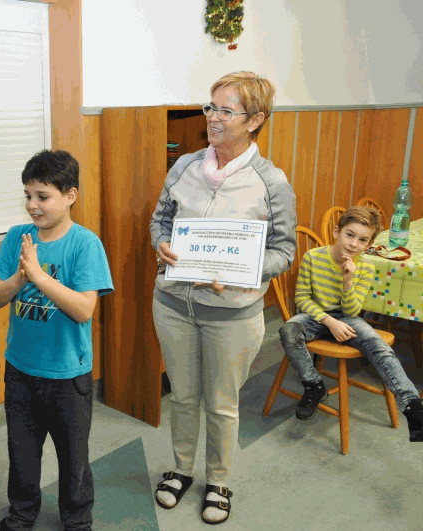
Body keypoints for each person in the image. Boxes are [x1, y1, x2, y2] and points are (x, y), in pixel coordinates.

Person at [150, 72, 296, 525]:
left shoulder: (271, 182)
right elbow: (160, 219)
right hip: (173, 305)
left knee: (221, 403)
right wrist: (160, 243)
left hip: (232, 314)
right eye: (210, 107)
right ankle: (181, 470)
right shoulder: (185, 166)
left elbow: (285, 251)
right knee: (183, 397)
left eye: (225, 111)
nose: (211, 117)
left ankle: (219, 480)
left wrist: (240, 271)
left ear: (255, 120)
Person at [0, 150, 114, 531]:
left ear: (70, 195)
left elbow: (83, 310)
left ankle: (77, 521)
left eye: (43, 196)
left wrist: (41, 278)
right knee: (21, 453)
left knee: (73, 458)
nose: (32, 206)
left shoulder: (85, 244)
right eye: (28, 196)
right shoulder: (17, 238)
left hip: (67, 374)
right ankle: (21, 514)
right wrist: (19, 279)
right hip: (20, 370)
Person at [279, 206, 423, 441]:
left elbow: (353, 311)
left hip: (348, 318)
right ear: (337, 231)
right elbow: (302, 299)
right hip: (316, 317)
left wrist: (348, 281)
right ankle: (314, 386)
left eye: (363, 240)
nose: (354, 244)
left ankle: (412, 405)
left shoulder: (365, 266)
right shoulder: (313, 257)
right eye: (350, 235)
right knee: (289, 329)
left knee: (378, 345)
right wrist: (328, 321)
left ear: (368, 245)